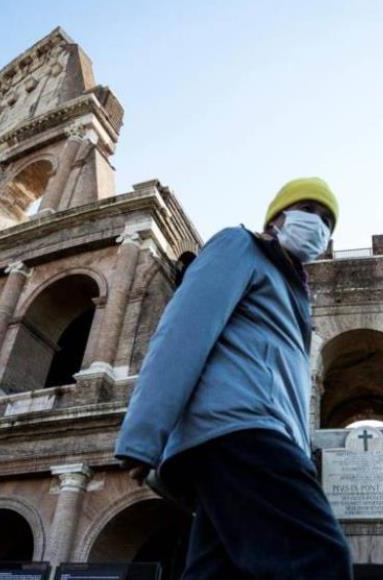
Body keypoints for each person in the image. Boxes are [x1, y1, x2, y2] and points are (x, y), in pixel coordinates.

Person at [114, 177, 353, 579]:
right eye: (310, 210)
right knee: (319, 558)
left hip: (252, 439)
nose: (319, 225)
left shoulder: (294, 293)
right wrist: (142, 436)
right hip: (242, 431)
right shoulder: (238, 247)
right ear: (278, 217)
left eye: (328, 221)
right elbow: (183, 332)